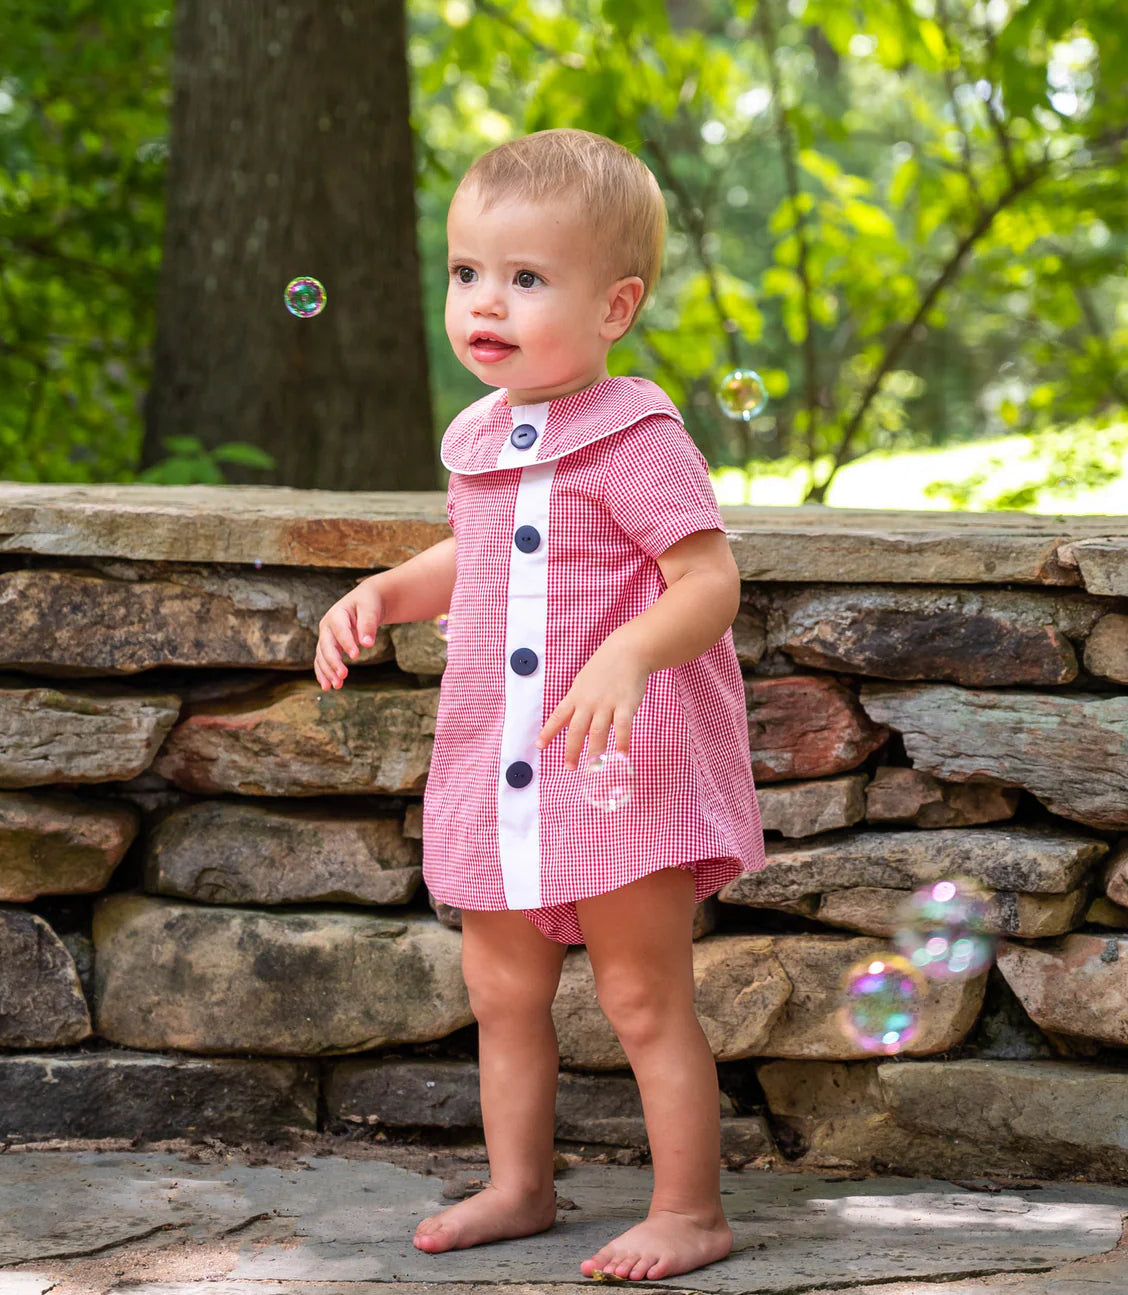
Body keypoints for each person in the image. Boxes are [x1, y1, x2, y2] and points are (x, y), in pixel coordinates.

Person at [314, 127, 766, 1283]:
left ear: (615, 307)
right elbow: (475, 554)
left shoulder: (637, 437)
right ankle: (520, 1184)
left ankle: (690, 1208)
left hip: (616, 764)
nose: (485, 300)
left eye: (526, 277)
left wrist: (628, 653)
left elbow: (708, 580)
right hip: (499, 760)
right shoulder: (480, 437)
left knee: (641, 993)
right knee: (501, 987)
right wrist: (385, 593)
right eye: (467, 271)